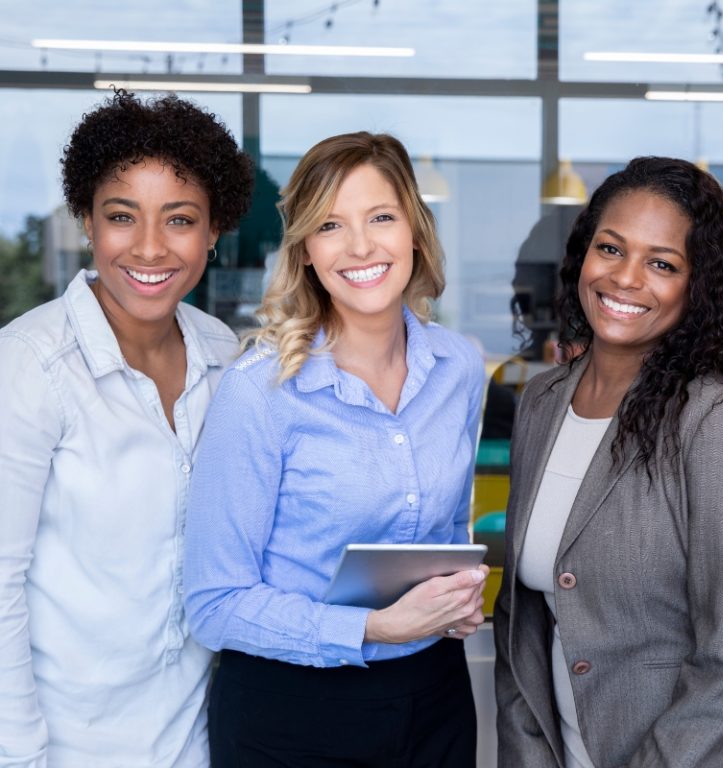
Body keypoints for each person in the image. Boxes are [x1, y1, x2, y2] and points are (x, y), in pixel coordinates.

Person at [183, 131, 488, 767]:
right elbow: (214, 605)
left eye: (381, 217)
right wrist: (373, 629)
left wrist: (453, 597)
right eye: (330, 225)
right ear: (307, 253)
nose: (360, 246)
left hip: (435, 696)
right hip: (291, 713)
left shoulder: (459, 366)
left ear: (414, 229)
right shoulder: (261, 391)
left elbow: (444, 533)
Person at [0, 90, 253, 766]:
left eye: (179, 219)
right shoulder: (29, 366)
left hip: (196, 740)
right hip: (65, 747)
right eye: (121, 216)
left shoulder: (223, 353)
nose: (148, 248)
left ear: (213, 230)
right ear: (86, 220)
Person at [494, 156, 723, 767]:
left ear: (696, 287)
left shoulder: (718, 420)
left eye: (662, 264)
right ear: (583, 255)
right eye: (611, 249)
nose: (625, 279)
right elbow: (521, 621)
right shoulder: (542, 401)